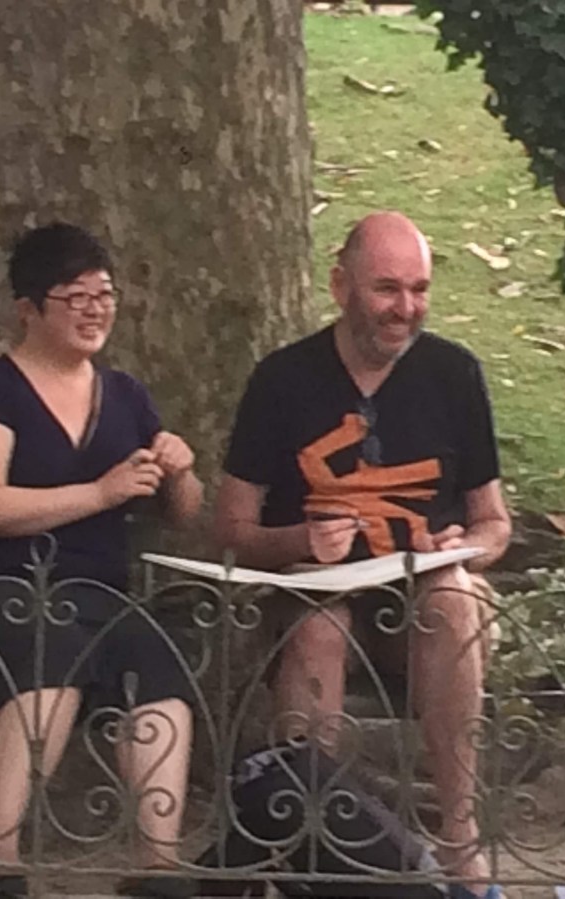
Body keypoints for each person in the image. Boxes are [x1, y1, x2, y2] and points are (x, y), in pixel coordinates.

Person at [213, 212, 512, 899]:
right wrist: (296, 541)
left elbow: (494, 521)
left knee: (454, 600)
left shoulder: (454, 373)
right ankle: (301, 845)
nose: (405, 309)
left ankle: (460, 839)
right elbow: (230, 526)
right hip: (315, 593)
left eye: (419, 289)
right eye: (386, 289)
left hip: (420, 597)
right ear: (340, 285)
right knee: (320, 624)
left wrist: (463, 549)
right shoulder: (283, 379)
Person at [0, 223, 203, 898]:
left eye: (103, 293)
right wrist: (99, 492)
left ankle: (156, 863)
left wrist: (181, 469)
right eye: (73, 295)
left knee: (155, 664)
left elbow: (185, 513)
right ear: (27, 309)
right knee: (51, 655)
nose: (93, 308)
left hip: (94, 593)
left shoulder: (127, 396)